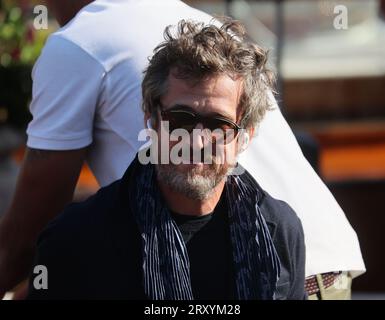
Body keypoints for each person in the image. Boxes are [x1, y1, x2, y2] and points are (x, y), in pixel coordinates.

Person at [0, 0, 364, 299]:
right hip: (323, 267)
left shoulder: (77, 44)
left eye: (218, 125)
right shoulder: (192, 19)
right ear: (150, 117)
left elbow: (23, 237)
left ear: (244, 135)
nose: (198, 139)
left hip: (290, 268)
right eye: (180, 118)